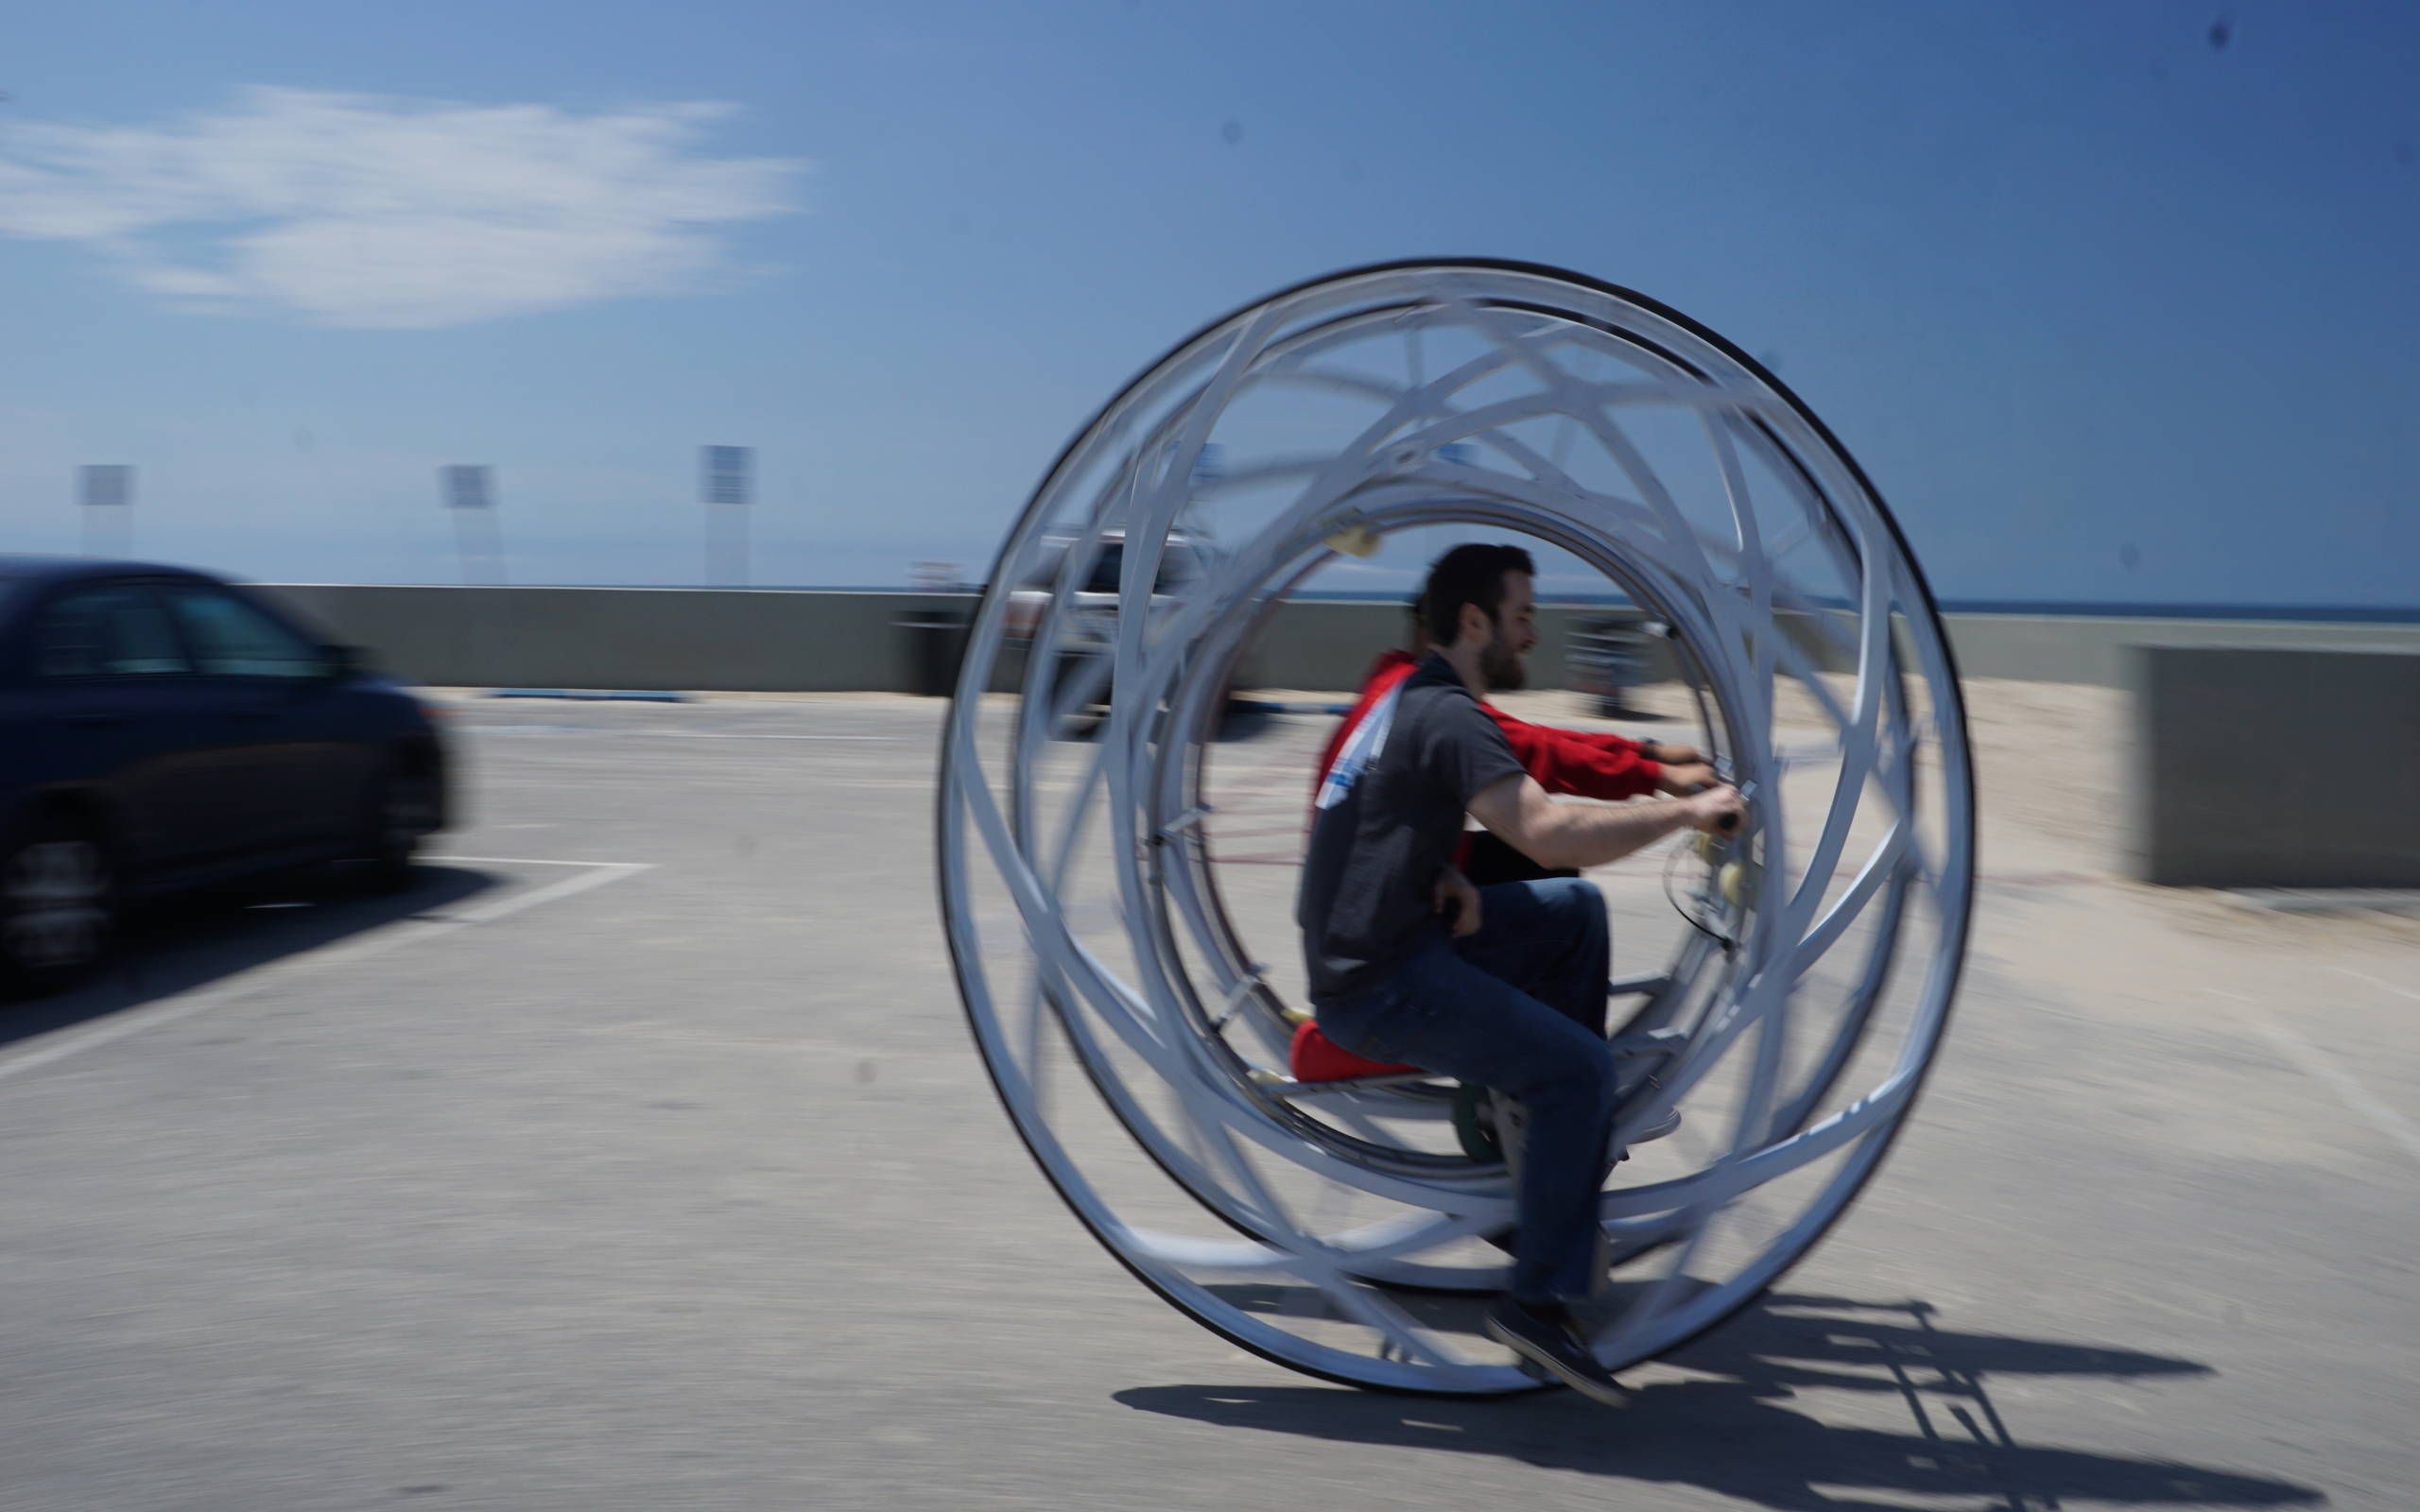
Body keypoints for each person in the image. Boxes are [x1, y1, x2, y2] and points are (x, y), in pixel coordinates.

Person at [1295, 543, 1744, 1401]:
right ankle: (1535, 1309)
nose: (1532, 635)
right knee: (1580, 1069)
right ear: (1475, 622)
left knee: (1572, 914)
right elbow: (1542, 830)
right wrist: (1683, 807)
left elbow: (1370, 818)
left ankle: (1540, 1154)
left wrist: (1443, 875)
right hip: (1378, 984)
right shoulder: (1448, 711)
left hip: (1391, 937)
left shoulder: (1402, 696)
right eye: (1523, 615)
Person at [1311, 593, 1718, 887]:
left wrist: (1646, 753)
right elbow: (1540, 753)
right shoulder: (1426, 702)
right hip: (1385, 892)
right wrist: (1654, 775)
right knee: (1557, 877)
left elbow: (1533, 737)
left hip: (1369, 874)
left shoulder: (1396, 679)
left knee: (1537, 871)